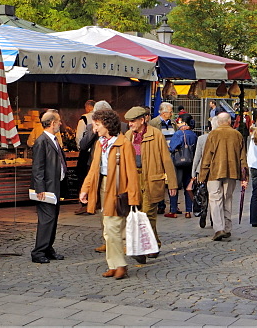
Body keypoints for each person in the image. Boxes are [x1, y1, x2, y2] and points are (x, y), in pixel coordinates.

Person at [79, 108, 141, 280]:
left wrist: (134, 198)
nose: (95, 128)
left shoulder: (124, 144)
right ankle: (113, 265)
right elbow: (93, 169)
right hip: (102, 187)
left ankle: (120, 265)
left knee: (113, 228)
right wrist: (85, 189)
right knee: (108, 230)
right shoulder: (100, 143)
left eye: (97, 125)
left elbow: (131, 173)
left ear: (107, 124)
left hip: (117, 189)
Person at [124, 106, 177, 260]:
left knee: (146, 215)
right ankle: (153, 244)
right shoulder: (128, 136)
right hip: (134, 180)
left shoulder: (156, 135)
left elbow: (166, 159)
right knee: (137, 214)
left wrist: (172, 183)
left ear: (142, 120)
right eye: (129, 122)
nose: (130, 124)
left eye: (133, 121)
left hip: (152, 179)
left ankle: (143, 249)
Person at [198, 112, 247, 241]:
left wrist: (202, 175)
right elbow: (243, 158)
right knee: (228, 198)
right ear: (229, 121)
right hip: (232, 171)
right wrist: (244, 177)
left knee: (215, 199)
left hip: (214, 172)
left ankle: (219, 228)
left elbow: (207, 156)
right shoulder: (237, 135)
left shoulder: (213, 134)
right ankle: (228, 227)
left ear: (218, 122)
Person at [30, 110, 66, 263]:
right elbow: (37, 167)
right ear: (52, 123)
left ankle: (47, 248)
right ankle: (38, 252)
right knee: (47, 219)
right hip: (47, 187)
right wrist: (40, 189)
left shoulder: (53, 139)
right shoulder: (42, 141)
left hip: (54, 185)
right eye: (58, 121)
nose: (60, 124)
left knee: (52, 218)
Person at [167, 115, 197, 218]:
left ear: (182, 122)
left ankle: (173, 210)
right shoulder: (193, 134)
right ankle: (188, 211)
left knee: (174, 185)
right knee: (188, 186)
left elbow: (172, 148)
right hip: (190, 162)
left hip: (178, 163)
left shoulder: (178, 134)